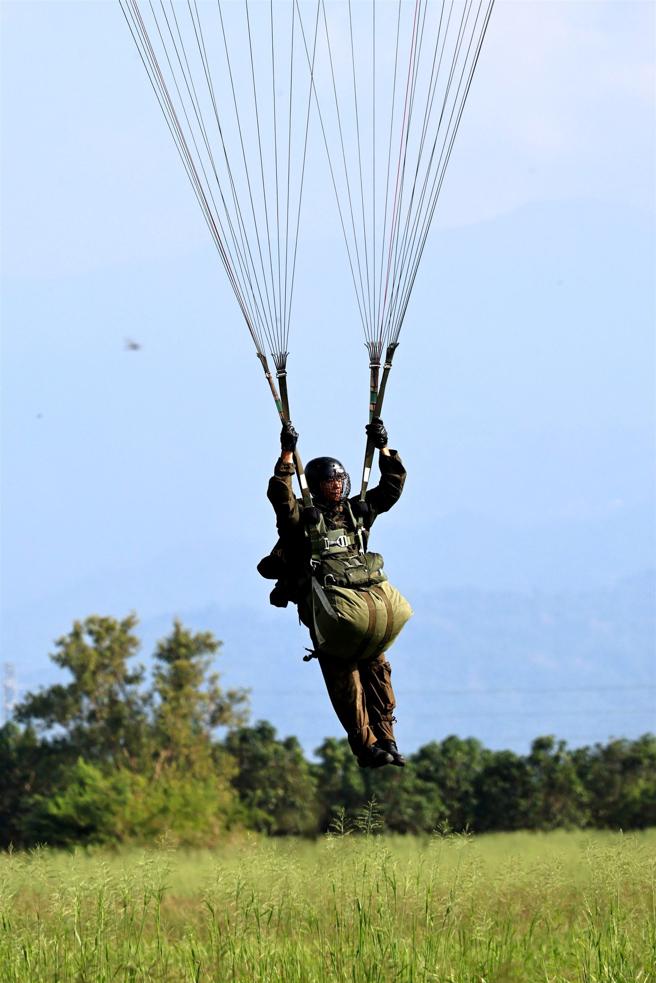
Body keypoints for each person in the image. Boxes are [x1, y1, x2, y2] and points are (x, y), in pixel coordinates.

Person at [261, 417, 411, 769]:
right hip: (328, 614)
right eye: (330, 481)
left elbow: (390, 488)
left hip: (361, 608)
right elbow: (280, 497)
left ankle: (387, 739)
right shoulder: (302, 518)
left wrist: (383, 447)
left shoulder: (358, 511)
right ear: (314, 485)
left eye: (341, 480)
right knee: (347, 684)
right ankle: (366, 747)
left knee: (378, 672)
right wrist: (287, 453)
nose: (338, 486)